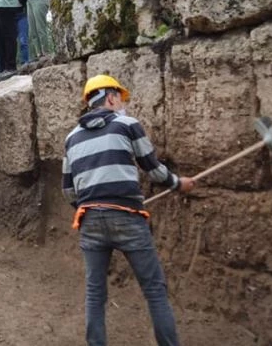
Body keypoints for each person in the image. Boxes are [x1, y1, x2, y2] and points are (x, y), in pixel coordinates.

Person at [63, 74, 195, 346]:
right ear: (110, 97)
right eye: (121, 98)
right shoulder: (127, 125)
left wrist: (92, 207)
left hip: (89, 220)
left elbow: (68, 191)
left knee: (95, 293)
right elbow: (153, 169)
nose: (123, 103)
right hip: (127, 218)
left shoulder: (71, 139)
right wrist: (178, 183)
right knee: (155, 291)